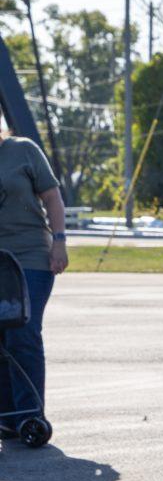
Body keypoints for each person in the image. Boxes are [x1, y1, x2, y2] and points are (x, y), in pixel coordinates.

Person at [0, 128, 67, 442]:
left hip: (31, 256)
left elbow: (52, 197)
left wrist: (60, 242)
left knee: (22, 331)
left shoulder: (23, 150)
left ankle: (30, 415)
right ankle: (7, 416)